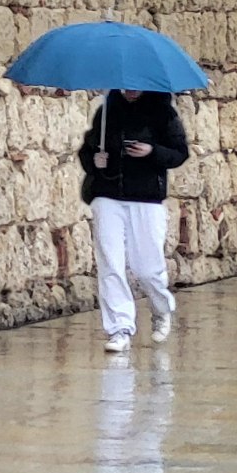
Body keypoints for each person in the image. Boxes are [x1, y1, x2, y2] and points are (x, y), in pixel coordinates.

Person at [78, 89, 189, 353]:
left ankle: (161, 308)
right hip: (108, 194)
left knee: (147, 269)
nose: (130, 91)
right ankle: (119, 328)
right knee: (111, 262)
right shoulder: (107, 111)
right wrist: (95, 160)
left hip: (146, 198)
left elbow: (179, 153)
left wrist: (151, 152)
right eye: (126, 86)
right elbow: (88, 149)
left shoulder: (163, 112)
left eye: (135, 87)